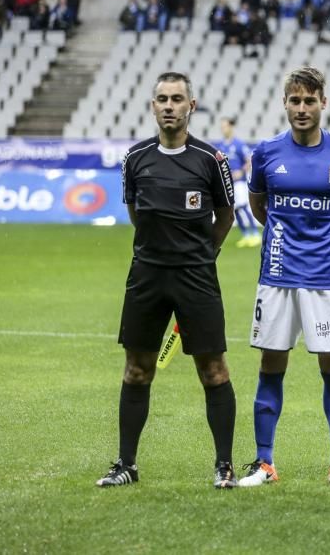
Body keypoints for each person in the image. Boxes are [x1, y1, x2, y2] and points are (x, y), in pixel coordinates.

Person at [96, 72, 238, 489]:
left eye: (178, 99)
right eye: (162, 99)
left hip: (197, 278)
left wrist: (201, 255)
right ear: (152, 106)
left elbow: (225, 216)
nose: (170, 105)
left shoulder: (212, 160)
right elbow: (137, 213)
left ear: (191, 106)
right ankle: (126, 464)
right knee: (137, 370)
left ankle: (224, 466)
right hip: (147, 277)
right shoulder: (135, 158)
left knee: (213, 370)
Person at [237, 66, 330, 489]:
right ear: (285, 104)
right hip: (276, 276)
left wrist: (324, 242)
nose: (302, 108)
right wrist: (282, 241)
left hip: (326, 276)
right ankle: (264, 462)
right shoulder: (266, 154)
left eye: (310, 100)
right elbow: (259, 206)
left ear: (323, 103)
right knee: (271, 363)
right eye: (295, 101)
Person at [213, 117, 260, 247]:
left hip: (239, 182)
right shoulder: (221, 145)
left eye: (225, 126)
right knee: (235, 210)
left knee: (243, 207)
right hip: (228, 183)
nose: (223, 129)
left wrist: (241, 171)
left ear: (231, 127)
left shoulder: (238, 144)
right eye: (222, 127)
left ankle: (255, 234)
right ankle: (246, 235)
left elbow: (249, 160)